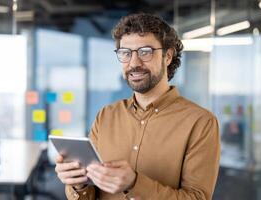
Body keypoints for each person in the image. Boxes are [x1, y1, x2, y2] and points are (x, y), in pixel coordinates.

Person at [55, 13, 220, 200]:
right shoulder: (106, 116)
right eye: (125, 53)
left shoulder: (201, 122)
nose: (134, 63)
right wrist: (78, 184)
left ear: (167, 56)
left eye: (145, 52)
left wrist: (134, 184)